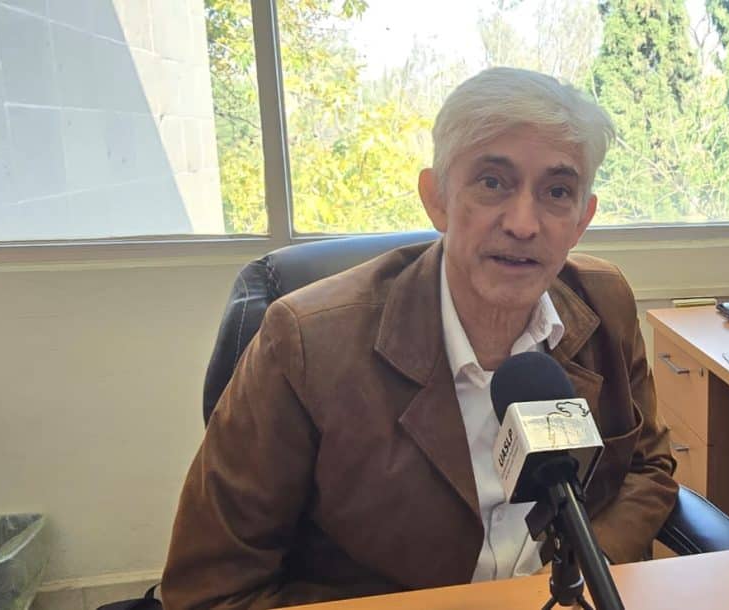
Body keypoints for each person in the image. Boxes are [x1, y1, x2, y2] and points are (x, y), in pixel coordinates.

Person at [161, 67, 678, 609]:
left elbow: (647, 468)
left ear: (581, 220)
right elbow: (210, 591)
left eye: (557, 191)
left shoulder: (604, 302)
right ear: (437, 199)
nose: (524, 224)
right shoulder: (306, 343)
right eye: (493, 182)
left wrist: (582, 570)